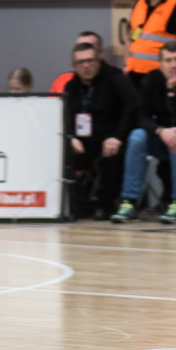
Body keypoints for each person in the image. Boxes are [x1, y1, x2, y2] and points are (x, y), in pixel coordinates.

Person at [113, 40, 176, 223]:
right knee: (137, 137)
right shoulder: (151, 80)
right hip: (160, 136)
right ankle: (129, 201)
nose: (174, 65)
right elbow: (141, 116)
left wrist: (172, 91)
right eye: (168, 60)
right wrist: (161, 131)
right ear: (160, 64)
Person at [63, 41, 140, 219]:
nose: (86, 65)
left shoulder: (114, 78)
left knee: (113, 157)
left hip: (110, 137)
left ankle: (106, 205)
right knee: (64, 152)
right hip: (82, 140)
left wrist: (118, 137)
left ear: (99, 60)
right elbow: (66, 117)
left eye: (90, 60)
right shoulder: (71, 87)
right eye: (81, 62)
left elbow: (133, 104)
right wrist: (70, 138)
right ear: (74, 66)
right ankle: (76, 205)